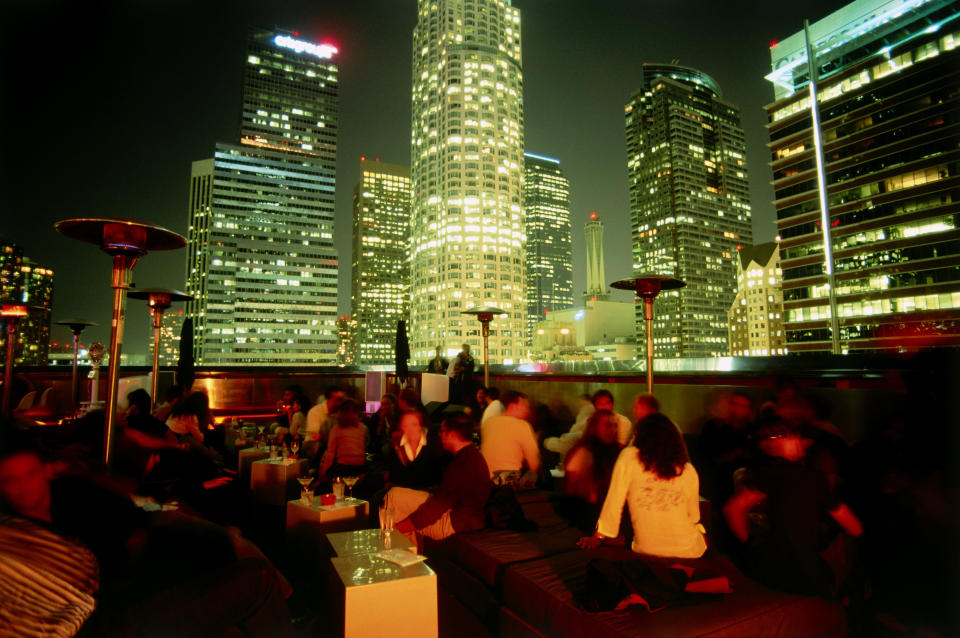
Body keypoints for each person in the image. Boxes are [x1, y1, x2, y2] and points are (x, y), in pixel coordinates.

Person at [0, 442, 295, 638]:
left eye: (28, 475)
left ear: (47, 472)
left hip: (130, 600)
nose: (22, 487)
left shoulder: (71, 505)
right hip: (112, 622)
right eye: (11, 480)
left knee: (231, 550)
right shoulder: (14, 538)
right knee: (256, 575)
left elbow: (129, 512)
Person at [723, 416, 863, 595]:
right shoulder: (805, 476)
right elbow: (854, 527)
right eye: (790, 435)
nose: (797, 440)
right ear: (772, 444)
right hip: (803, 575)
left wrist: (750, 545)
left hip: (773, 571)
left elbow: (733, 508)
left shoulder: (768, 474)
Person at [579, 413, 706, 559]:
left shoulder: (629, 457)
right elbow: (695, 516)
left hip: (645, 548)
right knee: (701, 533)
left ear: (640, 436)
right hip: (689, 550)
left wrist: (599, 537)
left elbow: (614, 501)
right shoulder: (687, 469)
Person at [388, 412, 490, 545]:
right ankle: (407, 555)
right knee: (395, 494)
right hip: (466, 516)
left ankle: (398, 551)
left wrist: (400, 528)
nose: (439, 435)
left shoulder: (461, 465)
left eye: (442, 431)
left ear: (452, 435)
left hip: (456, 522)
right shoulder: (471, 456)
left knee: (393, 498)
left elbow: (436, 507)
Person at [560, 409, 623, 530]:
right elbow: (570, 491)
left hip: (607, 509)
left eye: (615, 426)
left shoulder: (616, 451)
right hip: (587, 512)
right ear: (595, 428)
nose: (612, 430)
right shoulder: (584, 453)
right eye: (607, 425)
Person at [480, 390, 540, 488]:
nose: (527, 410)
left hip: (484, 480)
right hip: (508, 485)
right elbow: (534, 464)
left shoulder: (488, 423)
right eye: (524, 406)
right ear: (512, 406)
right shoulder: (522, 426)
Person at [385, 409, 447, 490]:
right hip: (403, 493)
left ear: (421, 425)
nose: (410, 429)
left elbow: (438, 475)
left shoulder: (433, 444)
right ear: (400, 427)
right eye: (405, 425)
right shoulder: (396, 446)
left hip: (428, 493)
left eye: (414, 424)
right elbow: (394, 476)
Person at [316, 398, 368, 483]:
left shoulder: (336, 429)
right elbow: (365, 448)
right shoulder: (363, 428)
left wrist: (323, 474)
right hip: (361, 469)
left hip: (343, 469)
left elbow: (330, 454)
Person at [366, 393, 399, 458]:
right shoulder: (376, 417)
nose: (384, 407)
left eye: (387, 404)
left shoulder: (398, 417)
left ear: (394, 405)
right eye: (382, 404)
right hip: (380, 446)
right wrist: (381, 421)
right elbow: (374, 437)